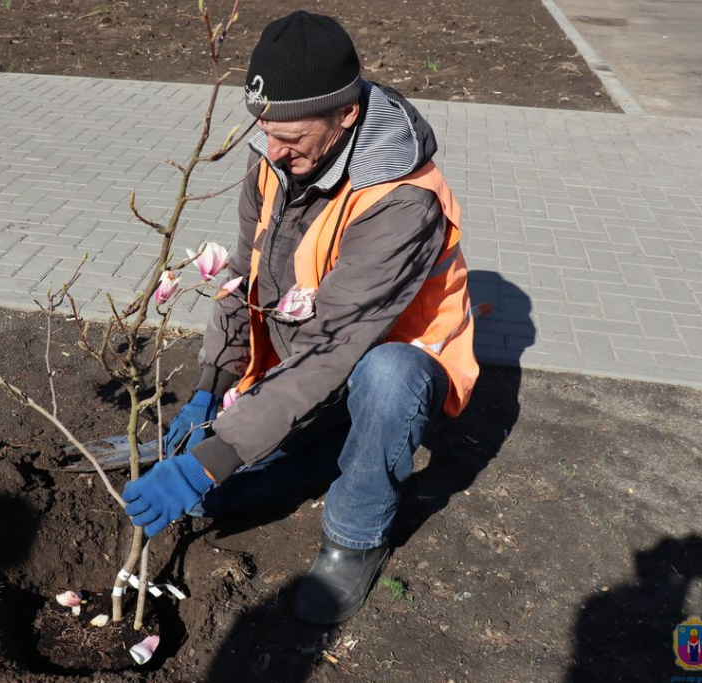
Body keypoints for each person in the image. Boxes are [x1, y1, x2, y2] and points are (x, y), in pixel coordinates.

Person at [122, 10, 479, 624]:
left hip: (387, 361)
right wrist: (210, 386)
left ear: (346, 115)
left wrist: (210, 461)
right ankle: (328, 444)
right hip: (307, 362)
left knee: (386, 378)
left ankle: (356, 535)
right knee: (219, 496)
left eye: (291, 137)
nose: (273, 151)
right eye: (265, 131)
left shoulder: (402, 202)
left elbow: (336, 346)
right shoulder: (275, 161)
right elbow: (242, 278)